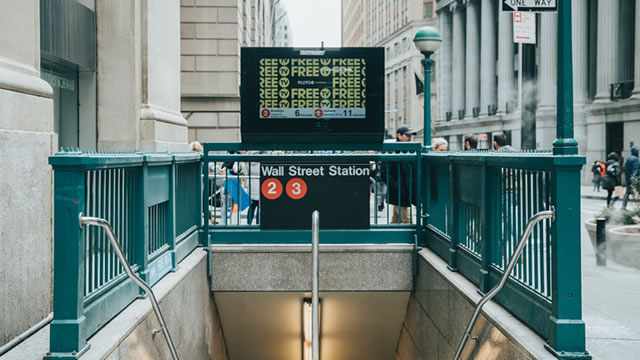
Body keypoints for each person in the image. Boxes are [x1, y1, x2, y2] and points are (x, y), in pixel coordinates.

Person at [382, 126, 416, 224]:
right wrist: (396, 186)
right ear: (399, 135)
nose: (409, 138)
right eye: (407, 135)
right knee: (407, 220)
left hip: (402, 190)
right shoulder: (393, 150)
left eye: (410, 135)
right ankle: (409, 237)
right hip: (400, 190)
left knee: (397, 217)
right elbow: (385, 172)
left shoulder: (409, 149)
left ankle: (391, 233)